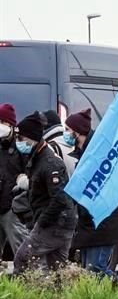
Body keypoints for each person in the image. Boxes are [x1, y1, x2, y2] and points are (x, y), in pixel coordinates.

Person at [64, 109, 118, 281]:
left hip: (103, 222)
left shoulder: (97, 155)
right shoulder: (86, 154)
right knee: (88, 272)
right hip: (90, 223)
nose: (66, 134)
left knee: (96, 270)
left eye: (68, 130)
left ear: (77, 132)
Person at [12, 112, 77, 273]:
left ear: (32, 138)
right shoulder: (36, 157)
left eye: (21, 139)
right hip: (58, 222)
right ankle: (57, 296)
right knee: (57, 271)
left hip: (56, 224)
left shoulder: (49, 162)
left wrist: (41, 222)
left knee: (23, 258)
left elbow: (60, 198)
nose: (18, 143)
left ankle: (23, 295)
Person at [0, 103, 28, 258]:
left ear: (11, 125)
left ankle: (27, 279)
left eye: (2, 122)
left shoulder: (21, 147)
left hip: (12, 208)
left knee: (22, 252)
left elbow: (30, 176)